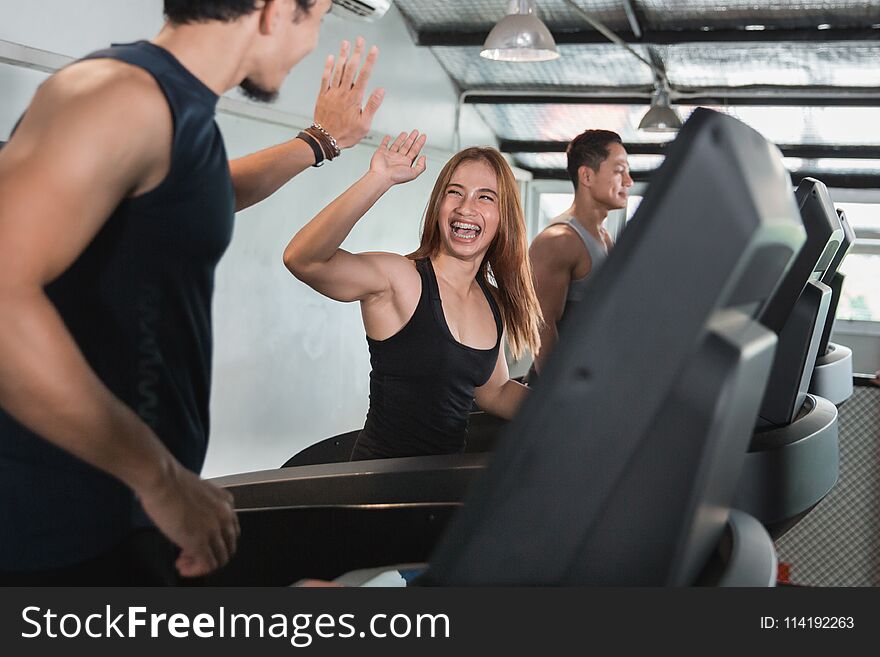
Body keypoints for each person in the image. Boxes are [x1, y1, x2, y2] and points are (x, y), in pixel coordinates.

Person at [0, 0, 384, 584]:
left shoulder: (178, 114)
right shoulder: (118, 96)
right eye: (318, 18)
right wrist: (160, 477)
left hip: (125, 513)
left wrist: (321, 141)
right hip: (53, 526)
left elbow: (203, 193)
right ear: (275, 11)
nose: (311, 45)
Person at [284, 137, 542, 460]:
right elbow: (303, 259)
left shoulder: (493, 303)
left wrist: (563, 407)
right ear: (438, 206)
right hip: (378, 492)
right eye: (455, 193)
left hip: (437, 494)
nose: (466, 207)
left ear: (503, 217)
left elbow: (495, 391)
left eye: (485, 197)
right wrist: (378, 180)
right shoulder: (400, 279)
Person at [526, 129, 632, 383]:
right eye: (619, 170)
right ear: (586, 175)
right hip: (557, 394)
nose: (628, 181)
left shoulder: (604, 237)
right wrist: (561, 401)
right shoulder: (560, 241)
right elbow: (540, 328)